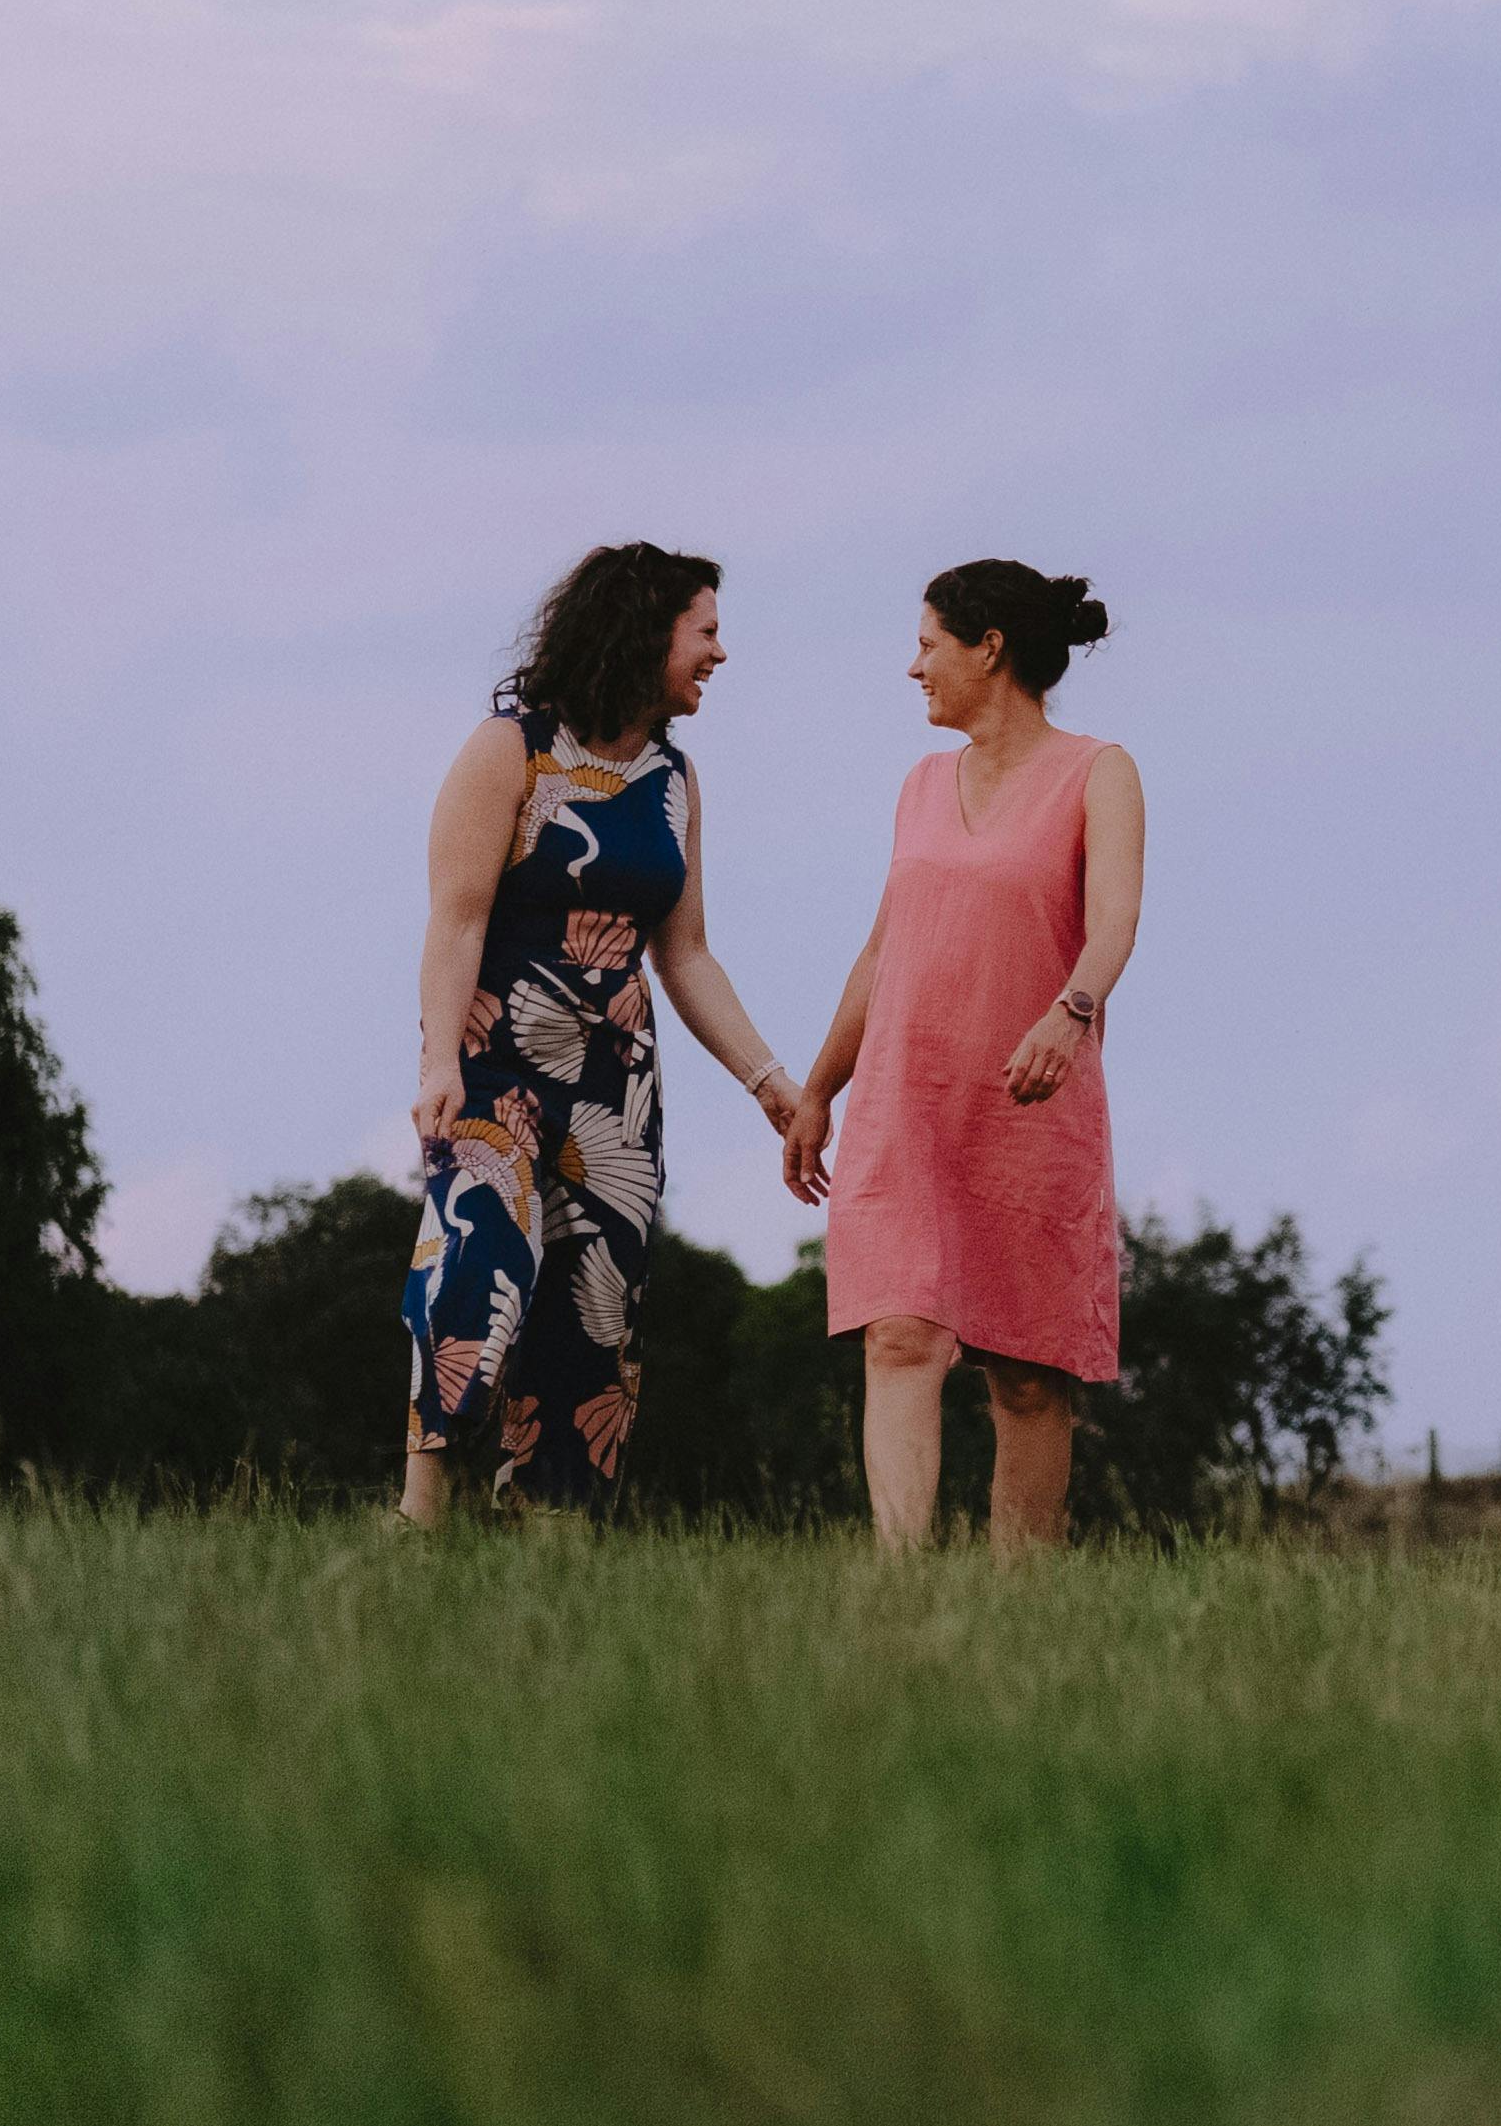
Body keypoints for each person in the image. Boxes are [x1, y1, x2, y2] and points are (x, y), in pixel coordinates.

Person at [402, 542, 810, 1523]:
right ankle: (422, 1515)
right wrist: (438, 1060)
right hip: (493, 1063)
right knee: (476, 1269)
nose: (719, 653)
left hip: (614, 1083)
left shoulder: (674, 777)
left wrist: (770, 1080)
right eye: (705, 631)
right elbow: (456, 919)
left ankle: (550, 1539)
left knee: (595, 1306)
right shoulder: (510, 748)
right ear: (643, 630)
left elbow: (687, 955)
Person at [790, 562, 1145, 1550]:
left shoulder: (1099, 770)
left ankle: (1015, 1607)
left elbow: (1115, 920)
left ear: (989, 647)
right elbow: (882, 950)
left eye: (927, 644)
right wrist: (818, 1088)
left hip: (1030, 1100)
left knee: (1027, 1372)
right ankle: (901, 1590)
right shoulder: (919, 785)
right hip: (906, 1098)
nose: (914, 668)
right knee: (898, 1333)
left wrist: (1070, 1014)